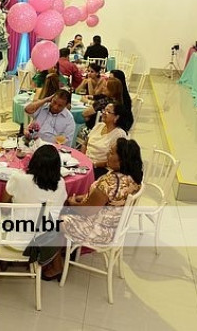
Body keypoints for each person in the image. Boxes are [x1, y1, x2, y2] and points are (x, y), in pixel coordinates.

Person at [42, 138, 143, 280]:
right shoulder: (132, 179)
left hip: (101, 231)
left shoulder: (108, 184)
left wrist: (72, 203)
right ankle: (62, 249)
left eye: (111, 153)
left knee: (52, 219)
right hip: (115, 226)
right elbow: (103, 200)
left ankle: (56, 266)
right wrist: (83, 198)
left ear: (122, 160)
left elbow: (86, 211)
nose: (107, 154)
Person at [83, 103, 129, 179]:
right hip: (86, 162)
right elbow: (85, 144)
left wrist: (94, 164)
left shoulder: (119, 135)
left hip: (101, 168)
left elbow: (116, 161)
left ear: (116, 117)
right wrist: (82, 158)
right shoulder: (99, 125)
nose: (104, 113)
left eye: (108, 111)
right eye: (104, 110)